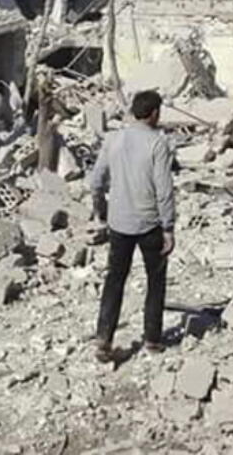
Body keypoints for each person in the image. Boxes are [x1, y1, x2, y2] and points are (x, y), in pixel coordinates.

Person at [89, 89, 175, 363]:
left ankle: (104, 338)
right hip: (149, 223)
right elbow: (163, 189)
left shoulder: (113, 139)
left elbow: (96, 181)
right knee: (156, 281)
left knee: (114, 280)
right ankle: (152, 339)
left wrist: (101, 210)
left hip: (119, 222)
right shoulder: (158, 143)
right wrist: (169, 226)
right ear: (154, 114)